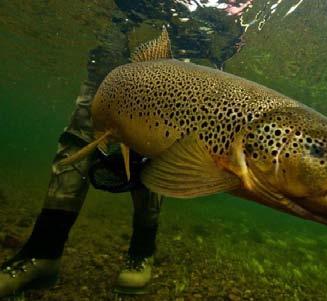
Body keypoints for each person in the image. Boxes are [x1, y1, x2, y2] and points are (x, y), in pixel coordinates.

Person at [0, 1, 246, 297]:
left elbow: (227, 31)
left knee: (155, 147)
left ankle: (142, 250)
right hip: (121, 33)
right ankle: (42, 252)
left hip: (183, 48)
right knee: (81, 135)